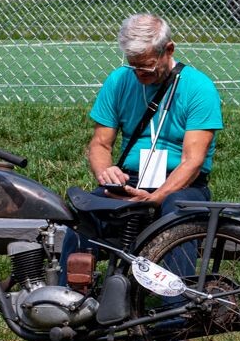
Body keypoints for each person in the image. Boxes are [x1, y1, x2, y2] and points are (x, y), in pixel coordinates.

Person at [61, 13, 223, 267]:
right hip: (130, 178)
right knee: (83, 220)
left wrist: (157, 196)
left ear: (168, 50)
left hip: (181, 184)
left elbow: (193, 160)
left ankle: (179, 302)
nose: (139, 73)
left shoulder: (198, 87)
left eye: (146, 66)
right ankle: (70, 297)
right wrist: (107, 173)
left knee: (175, 216)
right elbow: (100, 144)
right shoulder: (119, 81)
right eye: (132, 65)